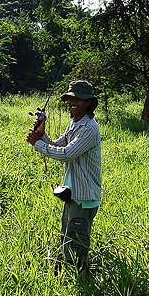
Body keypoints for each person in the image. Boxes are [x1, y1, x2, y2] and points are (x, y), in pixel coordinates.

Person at [26, 80, 102, 268]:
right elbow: (58, 145)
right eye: (70, 98)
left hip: (84, 196)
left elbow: (67, 154)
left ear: (89, 103)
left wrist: (37, 143)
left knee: (76, 242)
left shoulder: (88, 128)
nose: (73, 102)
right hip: (72, 192)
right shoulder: (75, 123)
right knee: (67, 236)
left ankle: (80, 278)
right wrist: (42, 134)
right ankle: (68, 272)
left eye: (79, 99)